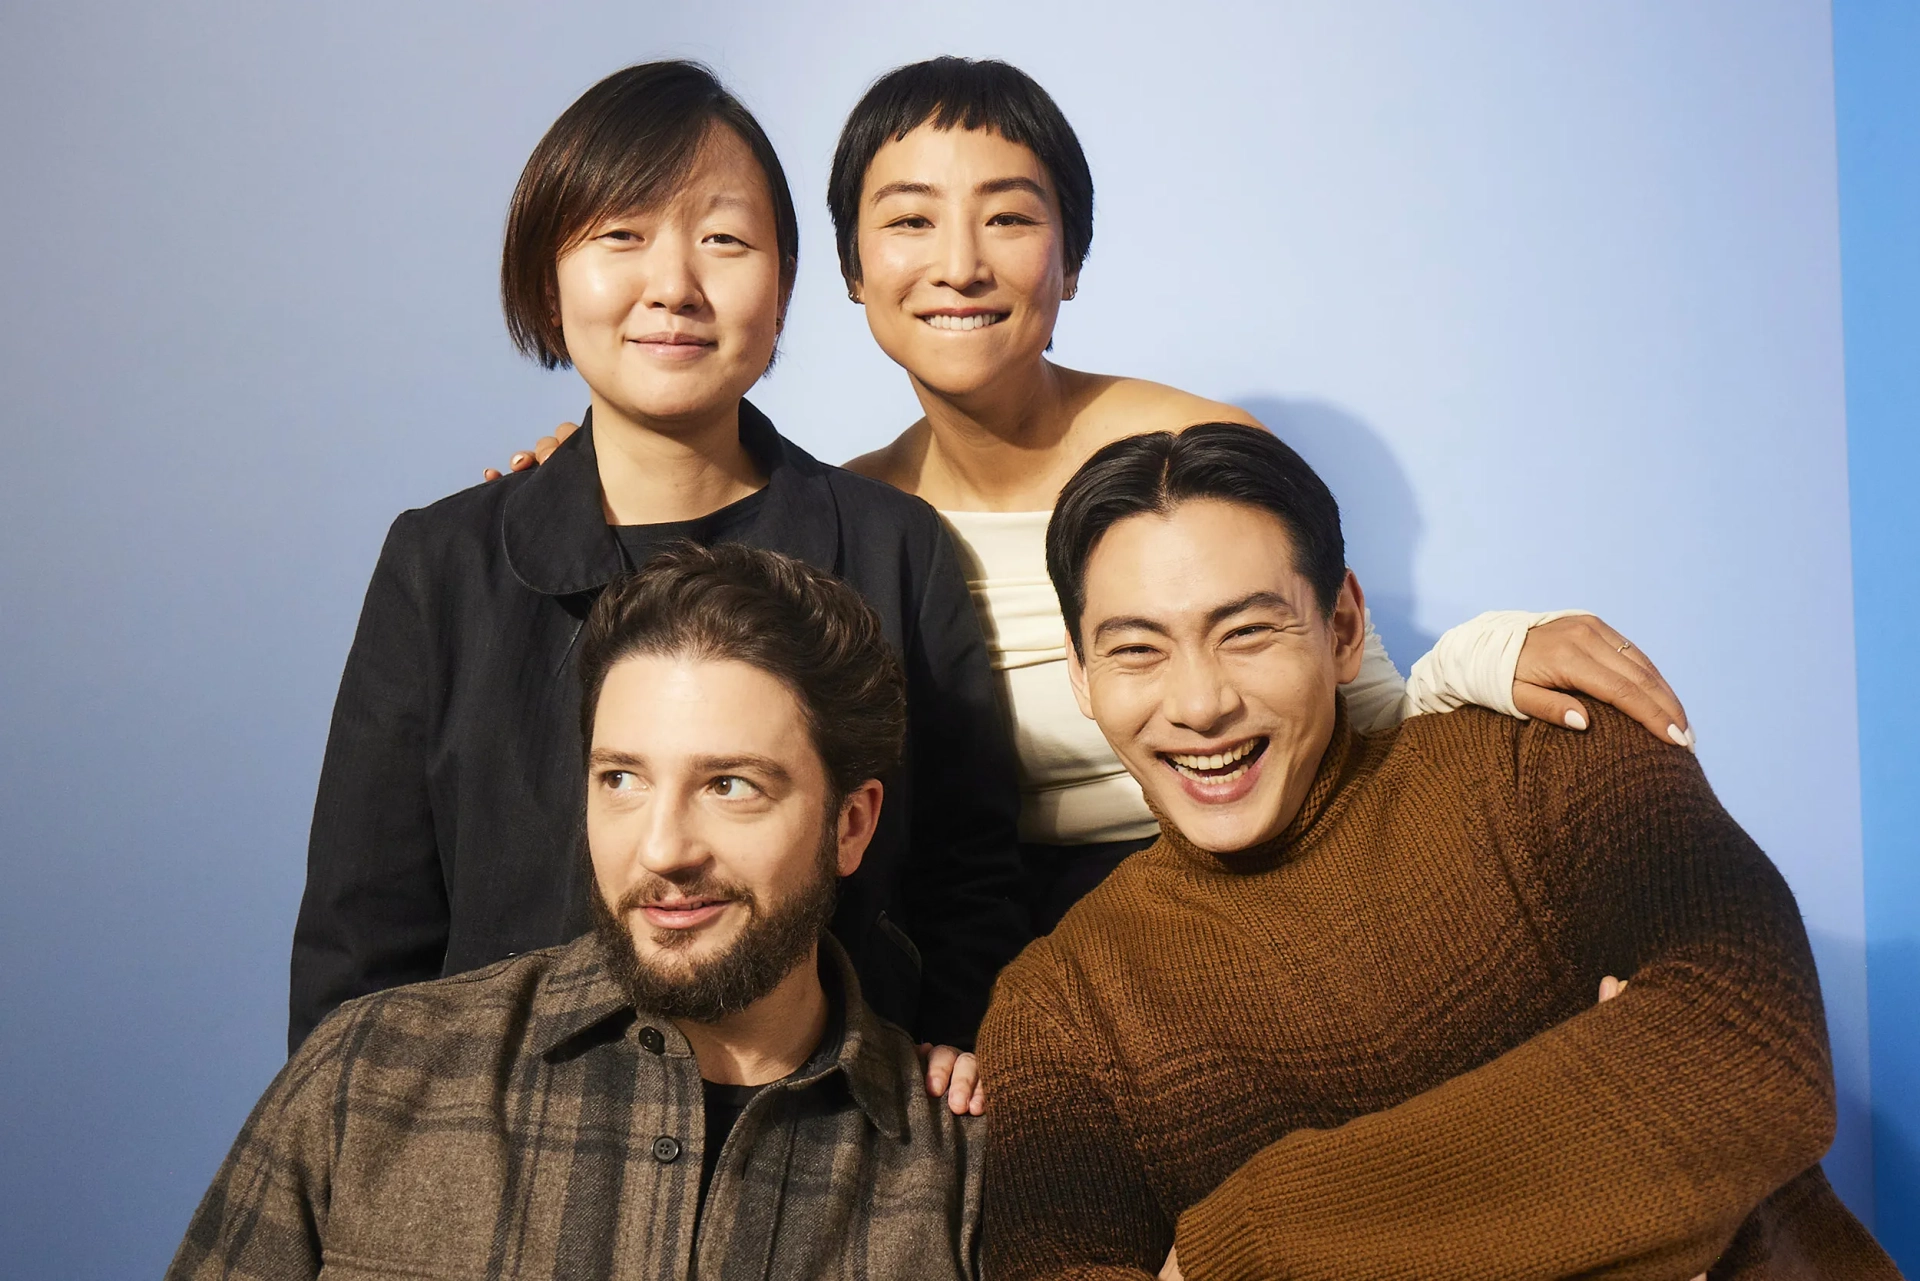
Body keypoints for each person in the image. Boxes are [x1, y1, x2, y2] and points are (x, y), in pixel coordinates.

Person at [509, 57, 1695, 932]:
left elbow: (1359, 710)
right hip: (1002, 960)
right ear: (855, 275)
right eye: (909, 221)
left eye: (1011, 218)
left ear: (1069, 258)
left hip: (1252, 897)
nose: (960, 264)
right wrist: (588, 466)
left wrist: (1496, 649)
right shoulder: (852, 524)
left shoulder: (1193, 453)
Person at [975, 425, 1896, 1279]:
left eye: (1247, 631)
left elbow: (1749, 1048)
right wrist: (1627, 1180)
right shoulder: (1057, 1014)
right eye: (1136, 649)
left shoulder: (1544, 757)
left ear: (1342, 629)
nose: (1199, 701)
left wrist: (1250, 1242)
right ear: (1081, 677)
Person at [293, 61, 1024, 1080]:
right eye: (620, 236)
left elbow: (972, 875)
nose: (673, 285)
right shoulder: (444, 563)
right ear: (549, 280)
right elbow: (360, 935)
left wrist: (950, 1069)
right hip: (491, 1157)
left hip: (816, 1148)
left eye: (724, 240)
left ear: (784, 287)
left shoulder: (894, 548)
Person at [172, 544, 984, 1280]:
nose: (662, 849)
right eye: (621, 780)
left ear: (851, 825)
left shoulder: (964, 1175)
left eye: (729, 785)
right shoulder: (369, 1074)